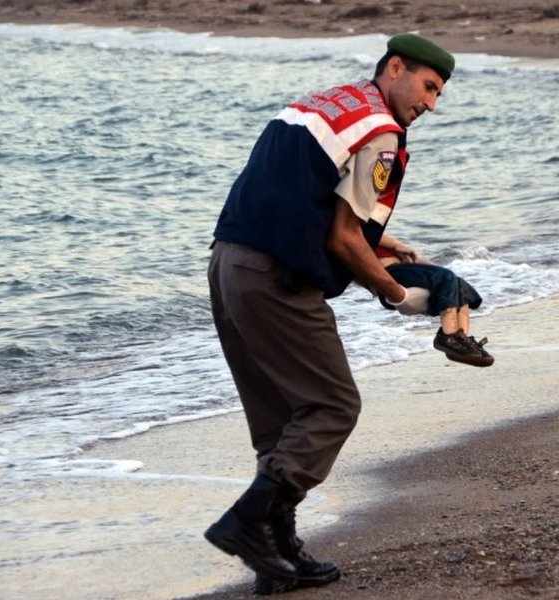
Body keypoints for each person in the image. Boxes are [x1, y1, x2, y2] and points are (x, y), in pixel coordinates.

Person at [203, 33, 455, 594]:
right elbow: (342, 239)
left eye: (439, 94)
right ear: (395, 67)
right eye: (429, 86)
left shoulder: (325, 103)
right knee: (332, 406)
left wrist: (383, 245)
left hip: (228, 265)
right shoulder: (381, 132)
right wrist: (397, 294)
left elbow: (301, 199)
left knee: (278, 423)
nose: (431, 104)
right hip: (275, 279)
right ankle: (247, 521)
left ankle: (276, 559)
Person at [375, 232, 494, 367]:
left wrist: (440, 274)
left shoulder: (383, 240)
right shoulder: (365, 233)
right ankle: (448, 337)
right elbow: (369, 234)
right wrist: (397, 245)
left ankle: (462, 341)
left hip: (405, 270)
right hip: (389, 273)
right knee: (447, 277)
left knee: (458, 283)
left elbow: (421, 262)